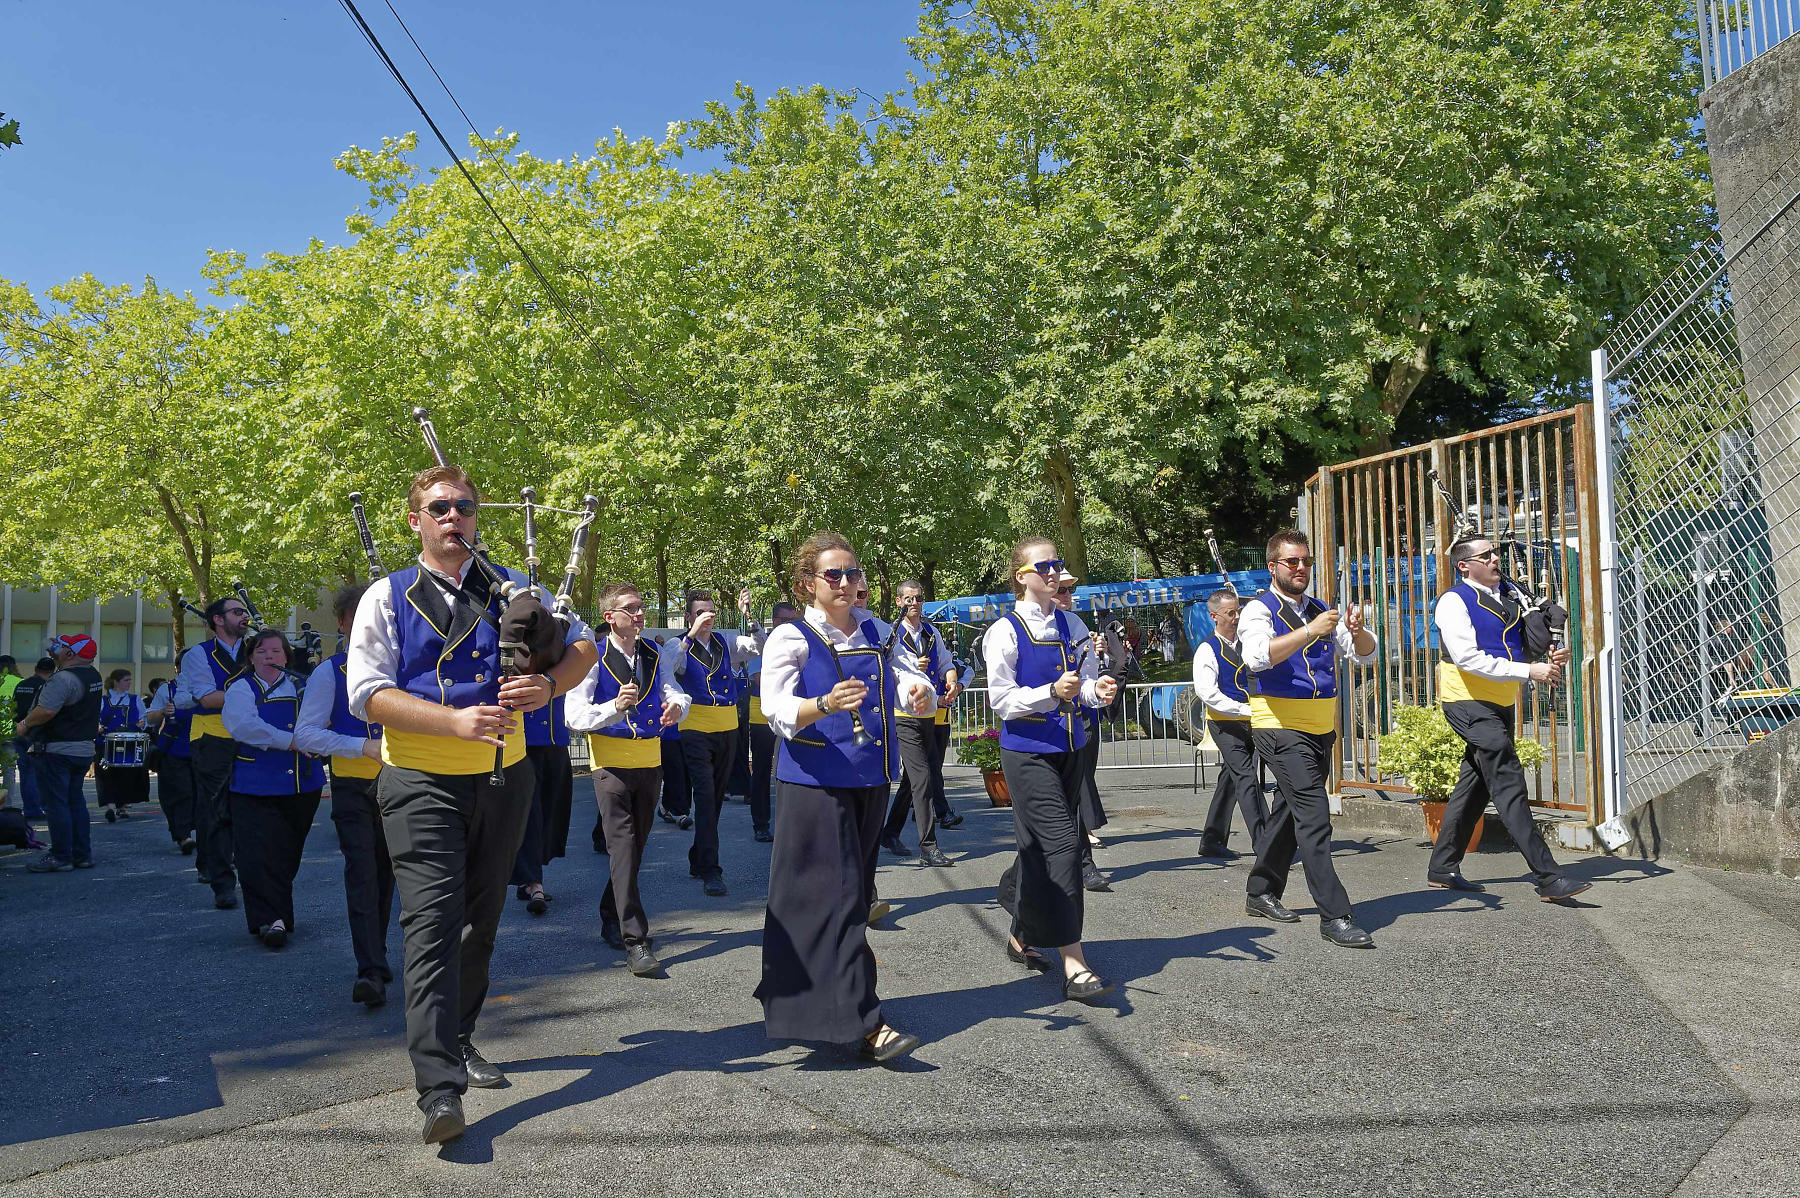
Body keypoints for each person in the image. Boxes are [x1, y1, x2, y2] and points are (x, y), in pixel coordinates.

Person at [346, 464, 597, 1145]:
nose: (453, 516)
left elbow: (582, 648)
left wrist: (548, 685)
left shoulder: (515, 589)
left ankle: (458, 1037)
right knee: (430, 929)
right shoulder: (386, 596)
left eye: (463, 506)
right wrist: (449, 721)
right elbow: (366, 693)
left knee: (478, 926)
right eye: (439, 507)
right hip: (420, 779)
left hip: (504, 776)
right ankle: (438, 1090)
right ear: (415, 521)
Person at [757, 531, 937, 1062]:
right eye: (833, 574)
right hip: (814, 784)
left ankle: (795, 1002)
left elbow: (904, 681)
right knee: (833, 901)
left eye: (853, 573)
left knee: (849, 898)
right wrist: (824, 703)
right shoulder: (790, 638)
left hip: (871, 779)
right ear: (806, 584)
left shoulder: (879, 630)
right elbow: (776, 709)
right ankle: (866, 1022)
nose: (846, 582)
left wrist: (917, 692)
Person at [985, 538, 1121, 1004]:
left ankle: (1022, 930)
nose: (1053, 572)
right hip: (1026, 753)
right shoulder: (1003, 631)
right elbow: (1000, 700)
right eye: (1043, 565)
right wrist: (1050, 691)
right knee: (1065, 844)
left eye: (1056, 564)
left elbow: (1081, 686)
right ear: (1021, 575)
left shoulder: (1073, 622)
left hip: (1069, 747)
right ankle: (1074, 960)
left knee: (1036, 847)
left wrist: (1094, 689)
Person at [1429, 536, 1590, 903]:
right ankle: (1548, 876)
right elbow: (1467, 658)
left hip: (1499, 702)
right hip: (1467, 701)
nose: (1496, 558)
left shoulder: (1509, 598)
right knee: (1508, 782)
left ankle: (1442, 866)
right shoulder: (1454, 601)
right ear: (1464, 566)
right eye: (1486, 555)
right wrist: (1528, 670)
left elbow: (1520, 647)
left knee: (1476, 784)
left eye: (1495, 553)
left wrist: (1549, 656)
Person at [1240, 530, 1377, 949]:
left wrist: (1357, 632)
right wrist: (1312, 630)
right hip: (1279, 724)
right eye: (1292, 562)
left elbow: (1365, 655)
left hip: (1320, 726)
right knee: (1314, 815)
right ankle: (1335, 915)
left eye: (1306, 561)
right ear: (1273, 567)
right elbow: (1257, 656)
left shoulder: (1320, 609)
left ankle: (1260, 890)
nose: (1301, 568)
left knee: (1287, 811)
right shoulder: (1258, 610)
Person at [567, 581, 690, 976]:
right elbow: (574, 716)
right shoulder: (592, 658)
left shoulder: (654, 654)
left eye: (641, 606)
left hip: (650, 763)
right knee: (622, 848)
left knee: (634, 850)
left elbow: (677, 692)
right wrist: (614, 707)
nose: (639, 614)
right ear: (610, 617)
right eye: (631, 608)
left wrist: (677, 707)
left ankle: (609, 913)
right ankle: (636, 941)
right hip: (609, 766)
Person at [295, 583, 393, 1007]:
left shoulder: (402, 665)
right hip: (353, 786)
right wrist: (361, 747)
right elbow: (306, 734)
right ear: (342, 623)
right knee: (363, 873)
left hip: (403, 783)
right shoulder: (328, 671)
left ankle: (378, 955)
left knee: (389, 875)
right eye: (358, 616)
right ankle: (369, 969)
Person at [221, 629, 324, 950]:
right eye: (262, 652)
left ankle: (274, 914)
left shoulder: (302, 686)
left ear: (287, 657)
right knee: (255, 855)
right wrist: (290, 740)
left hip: (302, 784)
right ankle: (272, 920)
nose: (270, 657)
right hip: (254, 784)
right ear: (250, 657)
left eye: (277, 652)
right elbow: (242, 725)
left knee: (286, 854)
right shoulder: (241, 688)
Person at [659, 588, 760, 898]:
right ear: (689, 615)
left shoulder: (725, 641)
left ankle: (698, 856)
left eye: (711, 611)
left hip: (727, 725)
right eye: (700, 611)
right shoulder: (680, 644)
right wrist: (690, 634)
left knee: (714, 798)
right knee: (704, 795)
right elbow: (669, 665)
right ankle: (711, 869)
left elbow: (757, 648)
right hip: (695, 728)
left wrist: (748, 615)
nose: (707, 616)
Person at [176, 595, 253, 910]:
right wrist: (256, 693)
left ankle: (230, 868)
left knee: (246, 809)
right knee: (216, 811)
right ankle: (222, 882)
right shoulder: (198, 654)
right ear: (218, 620)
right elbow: (207, 699)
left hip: (250, 736)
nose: (245, 616)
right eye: (237, 612)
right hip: (212, 738)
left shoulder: (256, 650)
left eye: (245, 611)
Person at [878, 581, 962, 867]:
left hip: (930, 713)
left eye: (918, 598)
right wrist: (914, 672)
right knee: (924, 777)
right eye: (909, 599)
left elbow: (946, 663)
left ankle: (889, 833)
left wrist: (951, 682)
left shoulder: (931, 631)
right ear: (899, 602)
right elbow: (886, 670)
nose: (914, 603)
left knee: (914, 779)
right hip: (903, 714)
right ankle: (928, 846)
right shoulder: (891, 633)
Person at [19, 635, 104, 872]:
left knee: (56, 804)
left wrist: (25, 724)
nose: (58, 648)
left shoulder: (63, 679)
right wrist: (56, 651)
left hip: (57, 750)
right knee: (74, 801)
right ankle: (81, 855)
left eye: (64, 647)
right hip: (82, 749)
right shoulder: (92, 675)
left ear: (70, 654)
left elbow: (46, 711)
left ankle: (61, 856)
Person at [1193, 589, 1267, 859]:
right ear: (1214, 616)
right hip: (1225, 725)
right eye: (1231, 613)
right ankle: (1266, 843)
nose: (1237, 617)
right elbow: (1208, 693)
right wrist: (1243, 710)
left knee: (1231, 780)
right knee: (1247, 778)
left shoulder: (1247, 645)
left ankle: (1211, 840)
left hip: (1250, 722)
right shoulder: (1207, 650)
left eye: (1238, 611)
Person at [1054, 571, 1111, 892]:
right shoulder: (1015, 628)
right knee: (1049, 813)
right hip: (1039, 731)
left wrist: (1099, 682)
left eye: (1069, 589)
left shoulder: (1075, 625)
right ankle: (1024, 880)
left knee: (1074, 795)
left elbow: (1089, 679)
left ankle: (1083, 865)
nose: (1067, 594)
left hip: (1077, 722)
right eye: (1061, 589)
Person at [510, 690, 573, 916]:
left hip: (556, 737)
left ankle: (526, 878)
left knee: (551, 811)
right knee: (531, 813)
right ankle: (534, 883)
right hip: (523, 741)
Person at [746, 601, 803, 843]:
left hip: (793, 715)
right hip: (762, 716)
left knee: (791, 771)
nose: (790, 626)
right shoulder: (762, 646)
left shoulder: (799, 643)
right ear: (775, 622)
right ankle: (761, 824)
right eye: (785, 621)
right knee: (761, 772)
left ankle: (790, 823)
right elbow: (759, 679)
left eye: (794, 621)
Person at [147, 674, 198, 855]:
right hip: (173, 750)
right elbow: (150, 718)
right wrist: (162, 713)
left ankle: (191, 833)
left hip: (203, 749)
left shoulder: (208, 687)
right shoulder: (167, 690)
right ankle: (183, 836)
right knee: (180, 793)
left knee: (201, 794)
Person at [96, 668, 149, 822]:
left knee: (127, 775)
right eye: (126, 680)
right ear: (116, 682)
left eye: (130, 680)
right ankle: (111, 808)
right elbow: (94, 719)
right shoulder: (103, 700)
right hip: (106, 743)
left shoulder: (135, 699)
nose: (129, 683)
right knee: (106, 775)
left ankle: (123, 806)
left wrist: (142, 724)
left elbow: (144, 719)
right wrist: (97, 727)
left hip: (130, 743)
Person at [11, 657, 54, 821]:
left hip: (19, 732)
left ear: (36, 668)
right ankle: (39, 808)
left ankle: (30, 808)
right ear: (52, 671)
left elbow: (13, 708)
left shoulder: (21, 685)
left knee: (25, 773)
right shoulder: (46, 686)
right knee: (40, 773)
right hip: (36, 734)